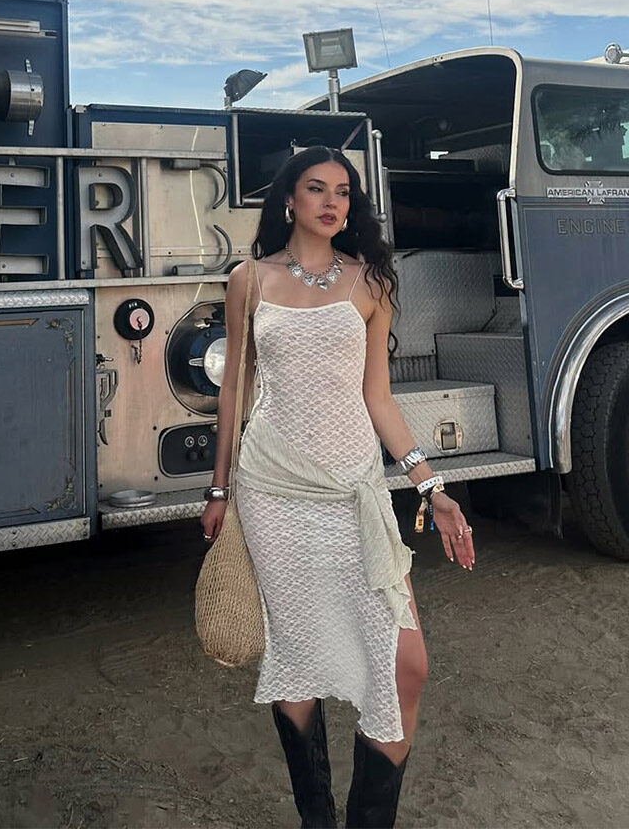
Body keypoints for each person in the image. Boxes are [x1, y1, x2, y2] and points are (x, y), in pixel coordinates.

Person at [201, 145, 475, 829]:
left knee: (406, 664)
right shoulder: (248, 280)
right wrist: (218, 491)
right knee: (297, 660)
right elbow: (234, 389)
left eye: (344, 192)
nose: (332, 202)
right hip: (272, 490)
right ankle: (317, 819)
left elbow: (377, 397)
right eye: (317, 188)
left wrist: (430, 485)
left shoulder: (370, 282)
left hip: (353, 492)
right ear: (288, 200)